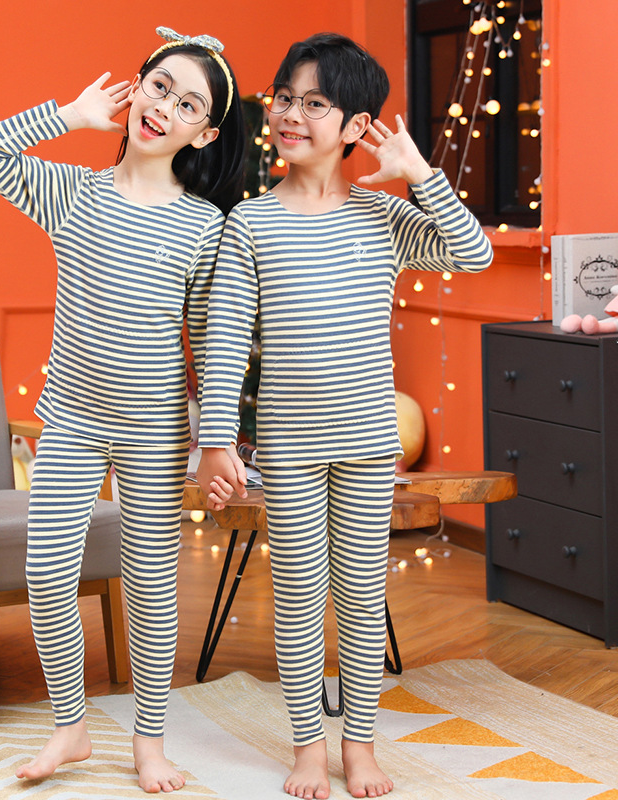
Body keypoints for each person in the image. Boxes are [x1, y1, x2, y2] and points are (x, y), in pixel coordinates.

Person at [196, 32, 492, 800]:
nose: (290, 115)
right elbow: (225, 339)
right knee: (298, 598)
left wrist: (420, 174)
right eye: (284, 98)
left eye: (315, 103)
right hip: (289, 447)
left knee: (362, 597)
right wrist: (215, 441)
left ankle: (358, 744)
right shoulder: (250, 224)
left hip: (366, 442)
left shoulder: (383, 218)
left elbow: (474, 253)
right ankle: (307, 747)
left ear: (357, 125)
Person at [0, 26, 245, 793]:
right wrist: (68, 115)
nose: (165, 108)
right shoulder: (72, 194)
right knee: (49, 572)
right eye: (160, 87)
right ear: (136, 87)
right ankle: (72, 728)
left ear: (204, 133)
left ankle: (149, 742)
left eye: (188, 105)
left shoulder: (205, 224)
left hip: (156, 432)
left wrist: (216, 441)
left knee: (151, 587)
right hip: (73, 422)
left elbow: (212, 340)